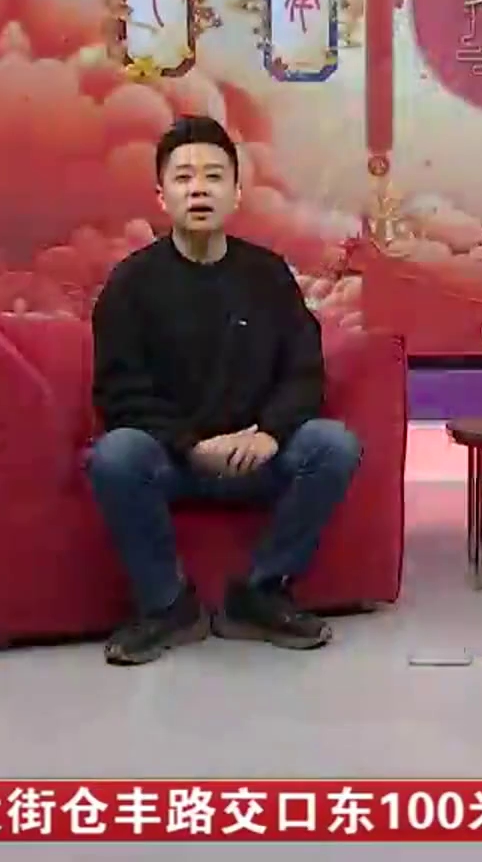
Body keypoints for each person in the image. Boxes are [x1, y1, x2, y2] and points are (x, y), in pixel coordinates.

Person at [86, 115, 362, 666]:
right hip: (174, 460)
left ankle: (261, 593)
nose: (199, 189)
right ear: (161, 196)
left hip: (258, 456)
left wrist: (269, 434)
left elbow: (305, 371)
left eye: (213, 177)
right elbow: (119, 392)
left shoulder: (268, 275)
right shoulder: (131, 284)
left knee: (334, 445)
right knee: (116, 455)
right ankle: (167, 605)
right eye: (184, 177)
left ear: (236, 193)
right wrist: (190, 444)